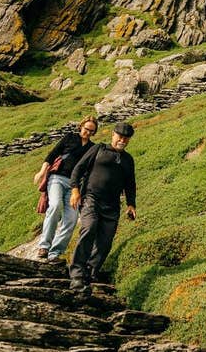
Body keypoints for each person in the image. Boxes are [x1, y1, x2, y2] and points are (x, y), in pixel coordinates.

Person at [68, 121, 137, 291]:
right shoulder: (98, 149)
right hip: (91, 198)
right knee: (89, 228)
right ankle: (76, 273)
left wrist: (131, 204)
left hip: (112, 204)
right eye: (120, 136)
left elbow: (130, 183)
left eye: (126, 138)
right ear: (113, 135)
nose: (123, 140)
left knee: (105, 241)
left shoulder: (128, 159)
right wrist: (75, 191)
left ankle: (91, 271)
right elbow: (78, 168)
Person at [33, 116, 98, 260]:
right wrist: (42, 171)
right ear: (81, 126)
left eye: (91, 131)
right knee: (55, 205)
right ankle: (44, 246)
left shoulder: (92, 148)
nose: (87, 132)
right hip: (57, 178)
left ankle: (55, 253)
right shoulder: (69, 137)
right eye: (86, 129)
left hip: (75, 186)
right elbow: (52, 155)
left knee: (71, 218)